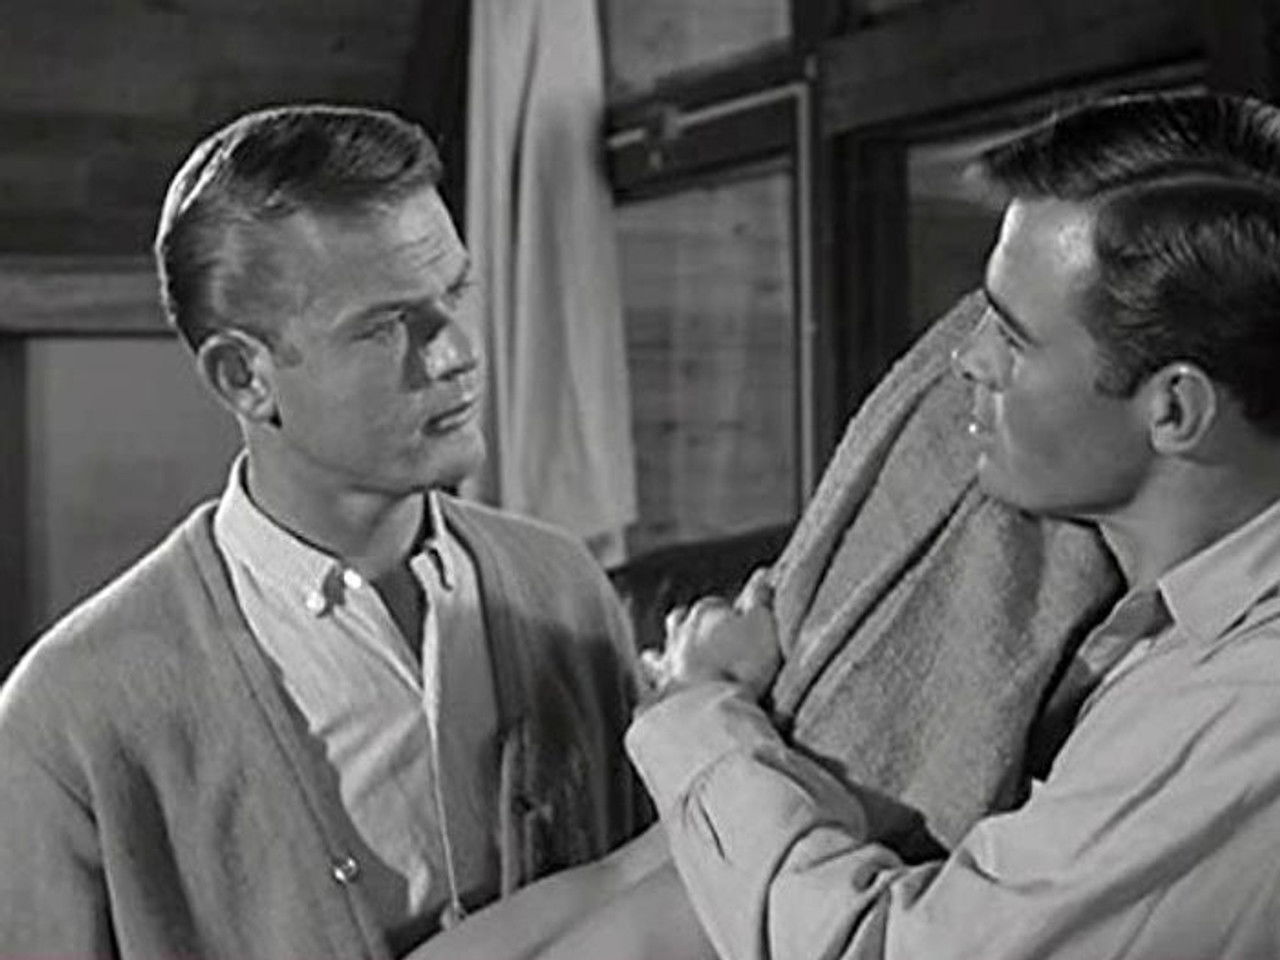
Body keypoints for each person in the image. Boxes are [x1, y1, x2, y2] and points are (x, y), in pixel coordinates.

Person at [629, 89, 1280, 960]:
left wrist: (700, 713)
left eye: (1013, 338)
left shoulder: (1242, 701)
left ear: (1174, 409)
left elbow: (886, 951)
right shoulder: (1145, 632)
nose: (967, 360)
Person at [0, 105, 640, 959]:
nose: (455, 352)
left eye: (455, 293)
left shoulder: (562, 590)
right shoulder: (70, 714)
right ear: (244, 377)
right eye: (384, 326)